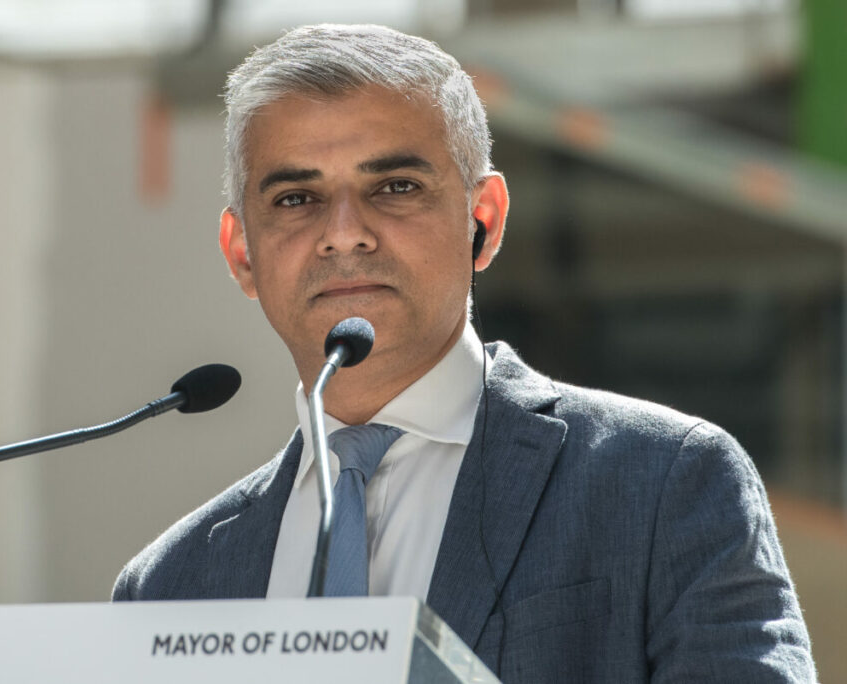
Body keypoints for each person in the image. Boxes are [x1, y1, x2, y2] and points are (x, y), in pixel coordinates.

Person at [113, 24, 815, 681]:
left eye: (395, 187)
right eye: (297, 198)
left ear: (484, 220)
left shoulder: (665, 481)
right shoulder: (169, 583)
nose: (345, 234)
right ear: (242, 254)